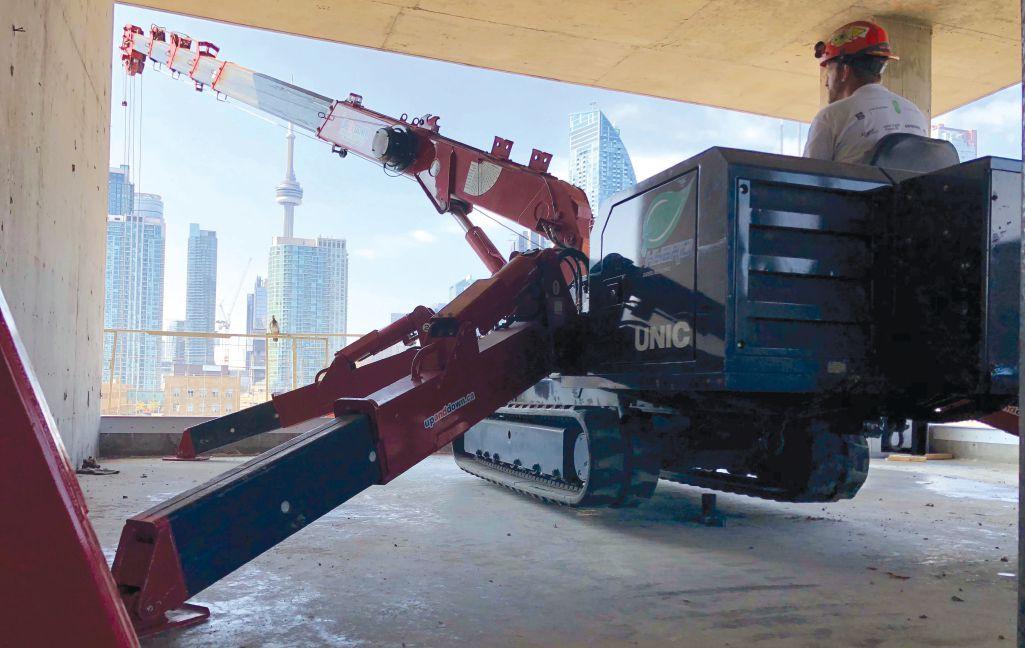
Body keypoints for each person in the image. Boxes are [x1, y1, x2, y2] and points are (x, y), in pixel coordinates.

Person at [803, 20, 928, 165]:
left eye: (829, 73)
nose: (826, 83)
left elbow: (808, 175)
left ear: (844, 71)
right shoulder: (916, 114)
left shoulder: (831, 117)